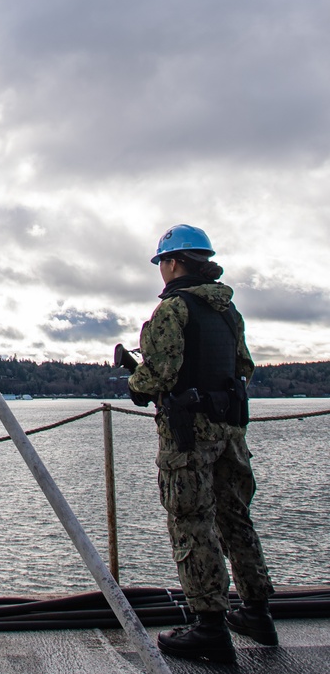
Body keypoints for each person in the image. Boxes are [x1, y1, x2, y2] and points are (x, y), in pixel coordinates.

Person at [126, 224, 276, 664]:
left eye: (162, 262)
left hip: (189, 436)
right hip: (231, 432)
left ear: (173, 263)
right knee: (235, 519)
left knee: (192, 523)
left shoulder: (173, 309)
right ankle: (257, 612)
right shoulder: (228, 312)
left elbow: (159, 373)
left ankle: (209, 627)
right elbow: (243, 367)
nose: (161, 270)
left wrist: (136, 383)